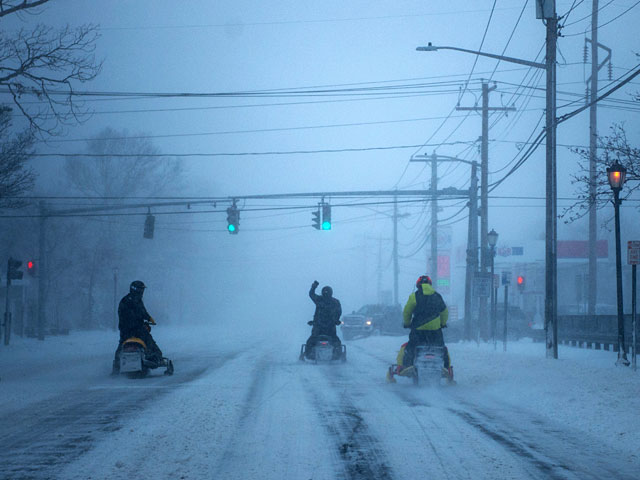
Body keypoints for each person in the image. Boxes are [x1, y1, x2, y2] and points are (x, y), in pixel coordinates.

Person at [401, 275, 452, 374]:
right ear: (430, 284)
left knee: (411, 347)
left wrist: (407, 323)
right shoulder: (437, 296)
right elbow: (444, 311)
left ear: (418, 285)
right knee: (441, 348)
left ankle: (408, 365)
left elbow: (407, 312)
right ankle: (446, 367)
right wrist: (443, 323)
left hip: (418, 331)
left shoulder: (414, 296)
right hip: (435, 331)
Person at [111, 280, 163, 375]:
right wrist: (147, 319)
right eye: (141, 290)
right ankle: (155, 357)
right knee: (149, 341)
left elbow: (141, 312)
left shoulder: (126, 300)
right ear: (138, 290)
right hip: (136, 329)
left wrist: (148, 317)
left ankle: (116, 365)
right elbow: (140, 313)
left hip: (125, 330)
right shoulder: (133, 301)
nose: (142, 292)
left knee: (122, 344)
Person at [305, 280, 343, 359]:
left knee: (311, 340)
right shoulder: (335, 302)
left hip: (319, 326)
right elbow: (339, 312)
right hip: (329, 327)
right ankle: (338, 355)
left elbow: (311, 294)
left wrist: (313, 287)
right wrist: (336, 320)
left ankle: (308, 355)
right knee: (336, 341)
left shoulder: (319, 299)